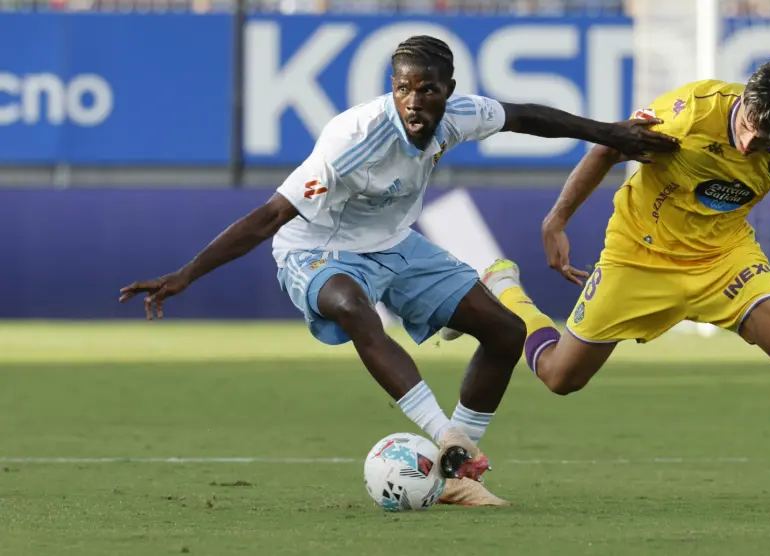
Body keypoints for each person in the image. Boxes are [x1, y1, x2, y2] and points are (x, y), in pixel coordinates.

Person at [118, 35, 680, 507]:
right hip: (315, 249)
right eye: (403, 88)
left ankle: (457, 477)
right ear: (393, 89)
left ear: (448, 93)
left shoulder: (459, 117)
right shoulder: (353, 139)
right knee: (352, 307)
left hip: (394, 245)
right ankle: (447, 438)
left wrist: (610, 134)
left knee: (507, 332)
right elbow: (269, 216)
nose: (413, 100)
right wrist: (185, 274)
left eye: (426, 89)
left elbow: (529, 117)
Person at [442, 61, 770, 507]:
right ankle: (504, 287)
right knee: (560, 377)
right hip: (640, 253)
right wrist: (556, 221)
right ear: (744, 102)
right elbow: (610, 146)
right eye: (746, 128)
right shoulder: (685, 114)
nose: (748, 145)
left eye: (764, 141)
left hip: (724, 258)